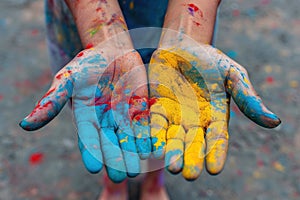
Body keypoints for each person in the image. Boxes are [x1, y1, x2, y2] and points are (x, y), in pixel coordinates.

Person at [19, 0, 281, 199]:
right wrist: (100, 32)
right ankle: (114, 185)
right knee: (100, 96)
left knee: (169, 102)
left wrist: (188, 30)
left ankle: (154, 183)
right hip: (85, 13)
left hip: (171, 11)